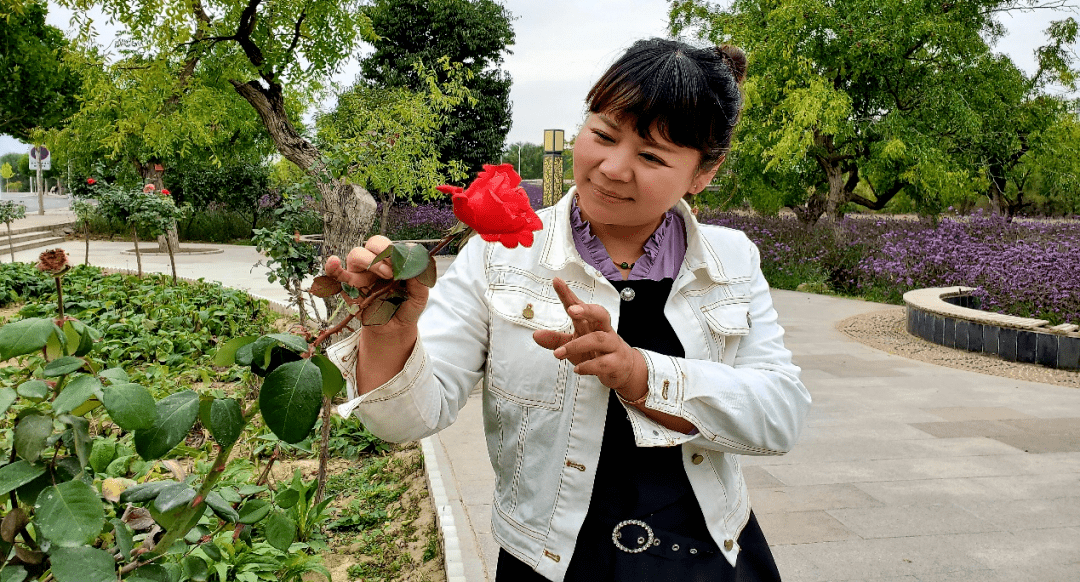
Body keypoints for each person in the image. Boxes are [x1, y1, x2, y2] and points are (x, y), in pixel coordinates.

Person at [324, 38, 811, 582]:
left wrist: (640, 375)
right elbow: (406, 419)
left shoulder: (731, 259)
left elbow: (780, 415)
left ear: (704, 173)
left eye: (651, 157)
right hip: (550, 563)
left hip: (707, 556)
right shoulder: (499, 256)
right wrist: (388, 334)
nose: (612, 168)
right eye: (602, 134)